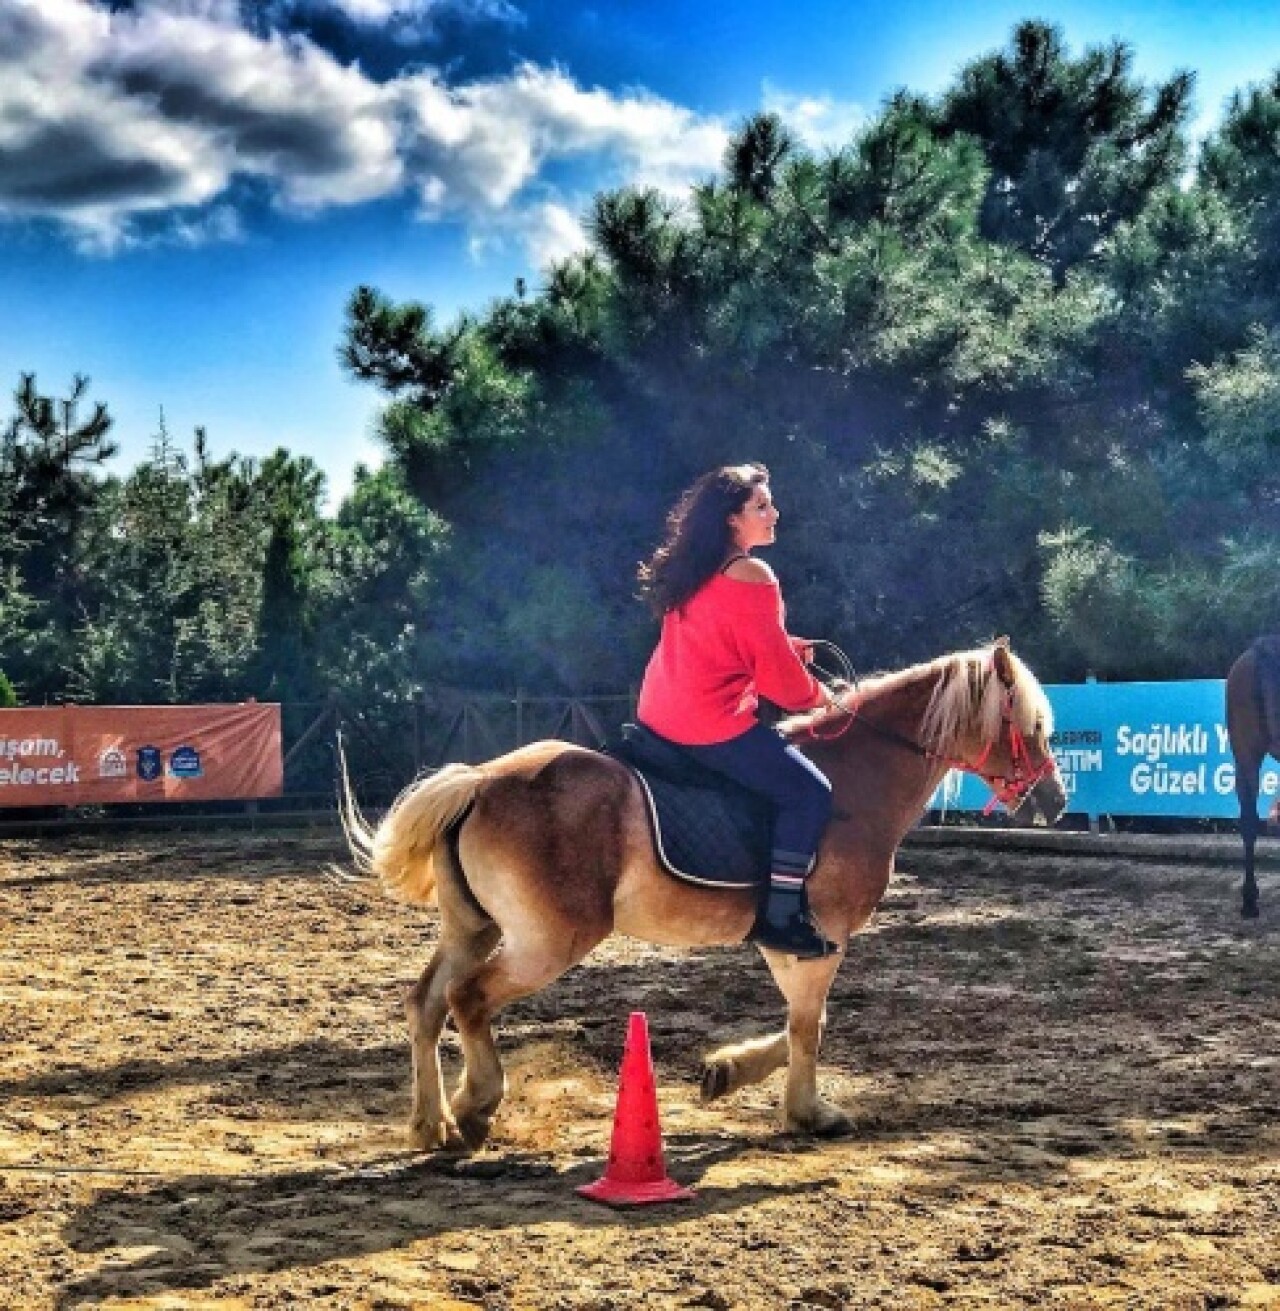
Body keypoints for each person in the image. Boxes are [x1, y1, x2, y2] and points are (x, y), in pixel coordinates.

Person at [636, 462, 840, 959]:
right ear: (732, 519)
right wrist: (821, 700)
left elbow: (722, 638)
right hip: (708, 725)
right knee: (810, 792)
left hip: (657, 713)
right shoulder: (752, 573)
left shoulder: (695, 568)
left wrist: (785, 644)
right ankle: (780, 917)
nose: (775, 513)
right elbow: (779, 682)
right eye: (761, 506)